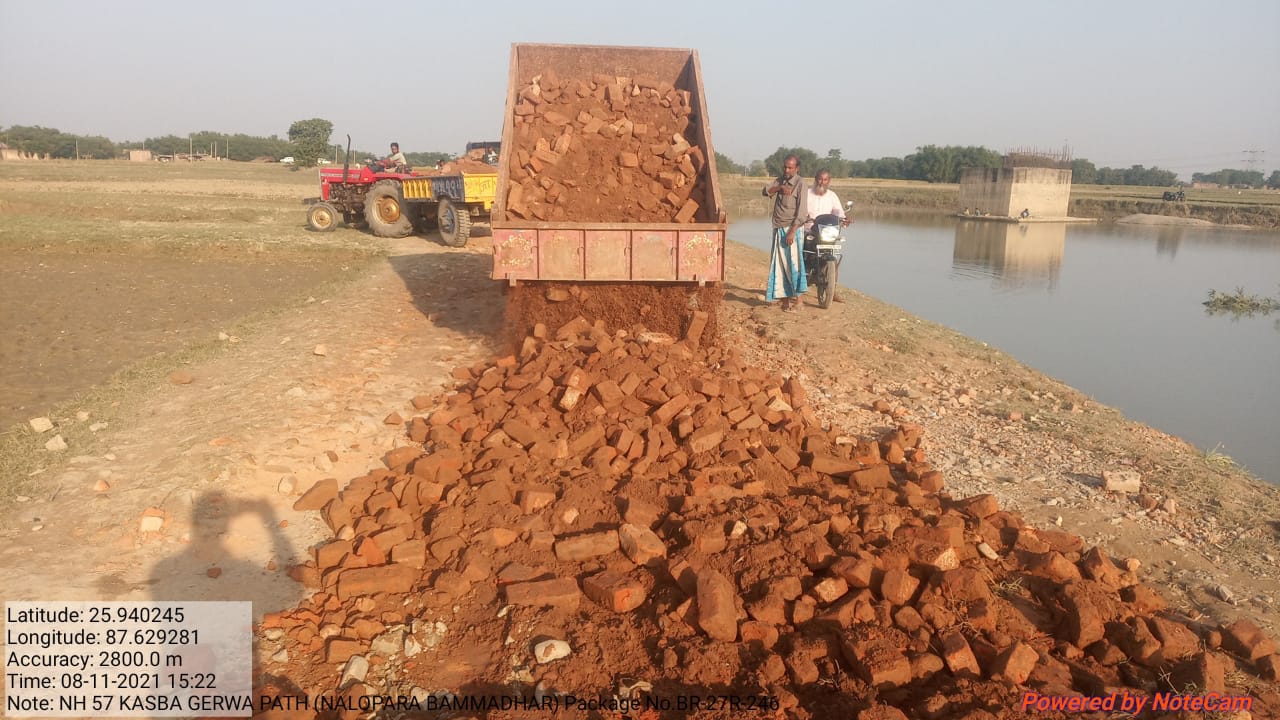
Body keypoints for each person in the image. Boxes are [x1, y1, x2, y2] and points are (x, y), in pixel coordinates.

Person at [762, 154, 808, 311]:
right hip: (778, 226)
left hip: (792, 229)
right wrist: (779, 188)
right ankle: (785, 301)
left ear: (797, 168)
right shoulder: (780, 180)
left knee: (794, 264)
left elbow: (802, 212)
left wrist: (792, 232)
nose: (787, 170)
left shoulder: (801, 183)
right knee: (779, 265)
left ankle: (799, 301)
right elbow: (765, 191)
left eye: (790, 167)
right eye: (785, 167)